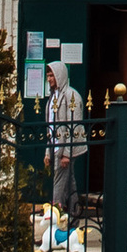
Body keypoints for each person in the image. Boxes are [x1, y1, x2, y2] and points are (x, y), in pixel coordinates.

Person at [42, 59, 87, 217]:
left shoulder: (71, 96)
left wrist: (67, 153)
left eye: (52, 76)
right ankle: (74, 214)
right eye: (47, 76)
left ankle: (54, 215)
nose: (49, 79)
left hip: (67, 147)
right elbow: (51, 127)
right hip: (55, 145)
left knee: (59, 181)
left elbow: (72, 127)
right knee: (69, 180)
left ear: (60, 75)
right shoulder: (51, 98)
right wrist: (48, 152)